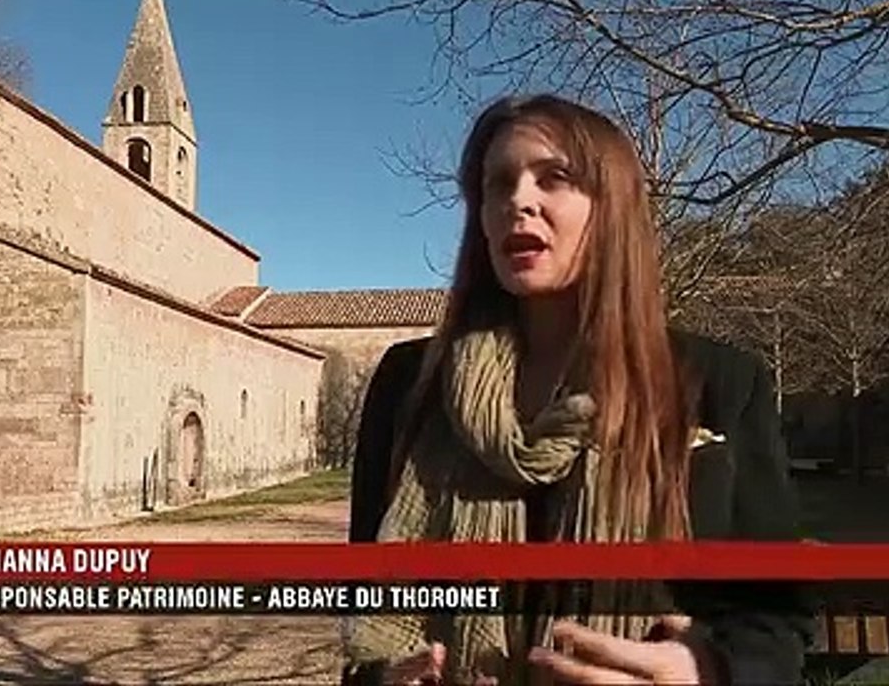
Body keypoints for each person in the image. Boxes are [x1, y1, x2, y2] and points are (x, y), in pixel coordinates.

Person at [340, 94, 815, 685]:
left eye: (553, 178)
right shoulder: (411, 382)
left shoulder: (719, 381)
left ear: (612, 210)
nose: (519, 200)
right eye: (497, 184)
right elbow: (365, 598)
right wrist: (385, 676)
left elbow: (778, 618)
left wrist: (706, 669)